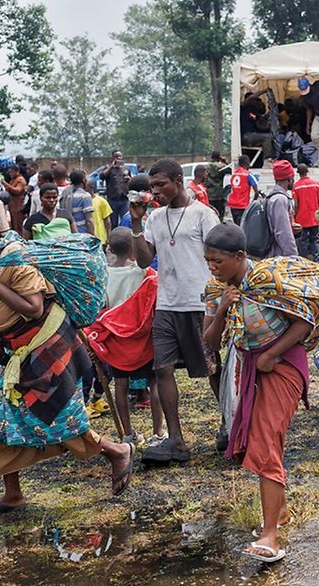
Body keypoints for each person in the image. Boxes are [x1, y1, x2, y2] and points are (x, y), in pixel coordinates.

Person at [0, 205, 134, 519]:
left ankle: (118, 451)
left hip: (45, 348)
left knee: (61, 418)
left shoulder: (16, 264)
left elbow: (34, 309)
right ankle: (12, 495)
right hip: (12, 352)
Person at [202, 223, 319, 563]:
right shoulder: (215, 288)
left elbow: (304, 322)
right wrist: (222, 308)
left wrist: (269, 354)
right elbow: (208, 339)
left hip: (282, 364)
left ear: (239, 256)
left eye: (217, 261)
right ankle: (279, 514)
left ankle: (271, 537)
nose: (212, 267)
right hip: (249, 366)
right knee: (263, 440)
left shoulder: (267, 281)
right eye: (207, 261)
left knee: (266, 440)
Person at [128, 159, 221, 463]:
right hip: (167, 304)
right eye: (151, 186)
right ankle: (176, 441)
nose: (155, 191)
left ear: (178, 181)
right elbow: (144, 261)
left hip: (200, 304)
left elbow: (219, 256)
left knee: (213, 369)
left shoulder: (203, 215)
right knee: (162, 369)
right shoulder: (154, 217)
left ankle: (230, 426)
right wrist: (137, 224)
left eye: (160, 185)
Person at [97, 228, 162, 446]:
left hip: (118, 343)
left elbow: (102, 309)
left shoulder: (103, 275)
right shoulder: (143, 274)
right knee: (155, 382)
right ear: (134, 250)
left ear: (110, 249)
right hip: (143, 341)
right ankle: (158, 432)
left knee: (121, 385)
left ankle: (127, 434)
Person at [259, 161, 298, 258]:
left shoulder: (273, 197)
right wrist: (294, 257)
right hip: (277, 255)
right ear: (289, 179)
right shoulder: (280, 200)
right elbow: (283, 232)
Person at [291, 164, 319, 260]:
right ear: (307, 171)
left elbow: (295, 204)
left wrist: (294, 216)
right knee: (315, 239)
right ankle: (316, 257)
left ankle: (304, 259)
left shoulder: (296, 186)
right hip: (314, 217)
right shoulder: (315, 184)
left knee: (302, 240)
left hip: (302, 218)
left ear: (298, 173)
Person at [101, 150, 132, 226]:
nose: (118, 158)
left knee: (126, 220)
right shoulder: (108, 168)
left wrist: (129, 179)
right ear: (112, 158)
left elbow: (132, 181)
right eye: (116, 156)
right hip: (113, 200)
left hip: (124, 199)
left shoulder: (126, 169)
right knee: (113, 222)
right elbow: (102, 176)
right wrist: (111, 166)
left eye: (120, 156)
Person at [228, 155, 260, 225]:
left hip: (232, 205)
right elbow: (257, 192)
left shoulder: (234, 174)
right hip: (242, 206)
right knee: (243, 226)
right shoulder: (248, 174)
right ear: (247, 163)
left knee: (236, 225)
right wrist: (252, 204)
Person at [68, 170, 95, 236]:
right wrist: (93, 236)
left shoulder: (66, 194)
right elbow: (89, 221)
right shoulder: (85, 196)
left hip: (69, 232)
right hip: (82, 233)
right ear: (83, 180)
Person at [206, 151, 231, 219]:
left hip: (209, 195)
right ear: (219, 157)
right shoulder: (222, 167)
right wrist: (224, 161)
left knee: (210, 215)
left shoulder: (206, 167)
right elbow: (232, 170)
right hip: (219, 195)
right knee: (220, 215)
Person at [2, 165, 27, 233]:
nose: (10, 174)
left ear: (17, 171)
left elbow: (17, 190)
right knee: (13, 224)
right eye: (9, 172)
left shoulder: (20, 180)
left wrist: (6, 184)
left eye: (12, 172)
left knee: (18, 225)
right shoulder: (13, 179)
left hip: (18, 206)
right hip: (12, 206)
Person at [88, 180, 114, 246]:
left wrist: (108, 236)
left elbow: (107, 221)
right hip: (87, 238)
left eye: (85, 187)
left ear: (91, 187)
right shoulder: (82, 201)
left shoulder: (101, 201)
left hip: (100, 238)